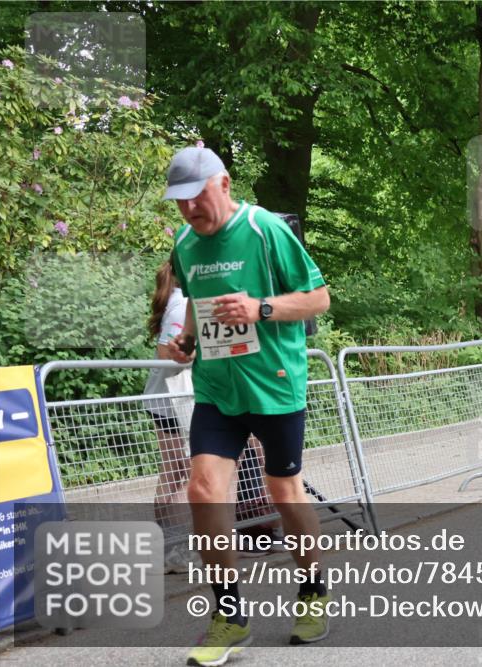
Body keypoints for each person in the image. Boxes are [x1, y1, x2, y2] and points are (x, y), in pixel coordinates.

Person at [163, 146, 332, 665]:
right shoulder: (185, 242)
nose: (189, 209)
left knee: (285, 493)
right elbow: (194, 298)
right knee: (203, 490)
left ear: (224, 183)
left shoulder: (264, 230)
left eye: (196, 197)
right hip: (217, 388)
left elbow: (319, 297)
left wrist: (262, 308)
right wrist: (186, 342)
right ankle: (229, 615)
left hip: (275, 386)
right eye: (179, 202)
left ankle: (312, 591)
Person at [143, 261, 193, 573]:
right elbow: (167, 356)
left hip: (170, 399)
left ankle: (168, 546)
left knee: (174, 474)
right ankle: (176, 548)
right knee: (182, 474)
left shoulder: (178, 302)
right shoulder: (183, 306)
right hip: (174, 400)